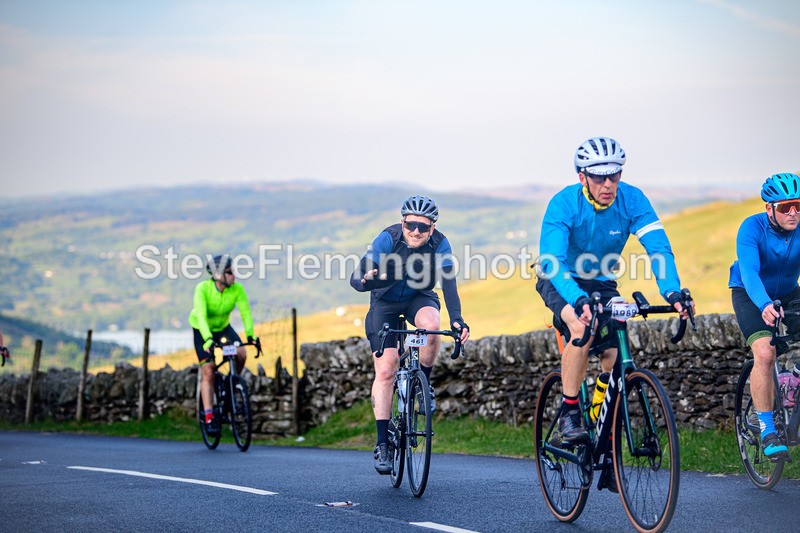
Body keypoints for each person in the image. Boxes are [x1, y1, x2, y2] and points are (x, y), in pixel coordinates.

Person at [535, 136, 693, 491]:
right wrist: (576, 299)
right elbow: (553, 261)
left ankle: (603, 433)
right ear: (582, 177)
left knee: (613, 351)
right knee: (583, 326)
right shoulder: (563, 205)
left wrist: (672, 292)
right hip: (559, 279)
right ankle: (571, 409)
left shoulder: (633, 199)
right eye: (599, 177)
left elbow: (659, 249)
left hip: (602, 281)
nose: (608, 185)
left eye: (615, 176)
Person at [350, 195, 470, 474]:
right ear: (403, 223)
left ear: (432, 228)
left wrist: (457, 320)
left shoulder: (441, 244)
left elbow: (449, 283)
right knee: (386, 370)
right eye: (410, 225)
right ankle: (382, 443)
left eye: (423, 227)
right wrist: (367, 279)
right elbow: (357, 278)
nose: (415, 231)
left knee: (431, 324)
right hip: (385, 303)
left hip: (419, 296)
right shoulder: (388, 238)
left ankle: (423, 383)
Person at [729, 172, 800, 460]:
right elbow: (749, 273)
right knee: (766, 353)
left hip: (789, 291)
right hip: (750, 293)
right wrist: (764, 304)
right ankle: (767, 427)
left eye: (798, 205)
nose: (793, 212)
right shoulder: (751, 228)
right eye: (785, 207)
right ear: (768, 208)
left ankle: (792, 379)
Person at [189, 254, 256, 436]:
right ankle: (210, 415)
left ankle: (232, 382)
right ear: (218, 275)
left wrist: (250, 335)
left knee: (241, 354)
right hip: (202, 330)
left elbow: (246, 312)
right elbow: (201, 316)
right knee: (209, 370)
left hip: (224, 328)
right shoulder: (202, 288)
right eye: (229, 272)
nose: (234, 275)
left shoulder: (237, 289)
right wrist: (208, 339)